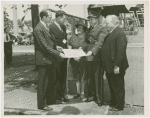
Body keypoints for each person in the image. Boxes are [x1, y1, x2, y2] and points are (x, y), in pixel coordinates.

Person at [34, 9, 66, 110]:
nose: (51, 18)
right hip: (43, 59)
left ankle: (50, 100)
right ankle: (41, 104)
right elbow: (44, 46)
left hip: (48, 59)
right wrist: (58, 54)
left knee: (49, 81)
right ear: (43, 17)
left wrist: (57, 47)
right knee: (42, 83)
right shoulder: (38, 28)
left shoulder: (45, 26)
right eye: (49, 17)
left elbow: (50, 43)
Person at [101, 15, 129, 111]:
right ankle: (114, 102)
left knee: (118, 86)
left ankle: (119, 105)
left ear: (115, 23)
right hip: (110, 66)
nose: (105, 25)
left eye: (107, 23)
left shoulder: (119, 33)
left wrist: (117, 65)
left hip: (116, 66)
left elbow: (121, 51)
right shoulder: (111, 33)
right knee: (113, 85)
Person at [85, 11, 108, 106]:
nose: (90, 21)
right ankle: (91, 95)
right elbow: (86, 42)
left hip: (96, 56)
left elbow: (100, 43)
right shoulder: (89, 29)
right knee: (90, 77)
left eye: (92, 19)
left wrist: (92, 51)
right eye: (89, 19)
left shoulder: (101, 29)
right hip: (88, 57)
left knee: (97, 78)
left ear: (97, 19)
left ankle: (99, 98)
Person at [49, 10, 69, 104]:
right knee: (57, 76)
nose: (64, 20)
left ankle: (62, 95)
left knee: (63, 76)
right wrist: (56, 47)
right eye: (63, 18)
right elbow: (50, 42)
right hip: (56, 56)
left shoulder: (63, 27)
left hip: (64, 55)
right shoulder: (51, 27)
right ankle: (56, 97)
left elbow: (64, 39)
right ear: (58, 17)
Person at [68, 21, 88, 101]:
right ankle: (77, 93)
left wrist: (80, 56)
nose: (78, 29)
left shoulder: (86, 37)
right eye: (77, 28)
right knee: (75, 76)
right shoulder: (73, 37)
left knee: (82, 76)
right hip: (74, 60)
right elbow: (69, 45)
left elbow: (87, 47)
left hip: (82, 59)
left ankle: (82, 93)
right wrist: (72, 55)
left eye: (80, 28)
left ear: (84, 29)